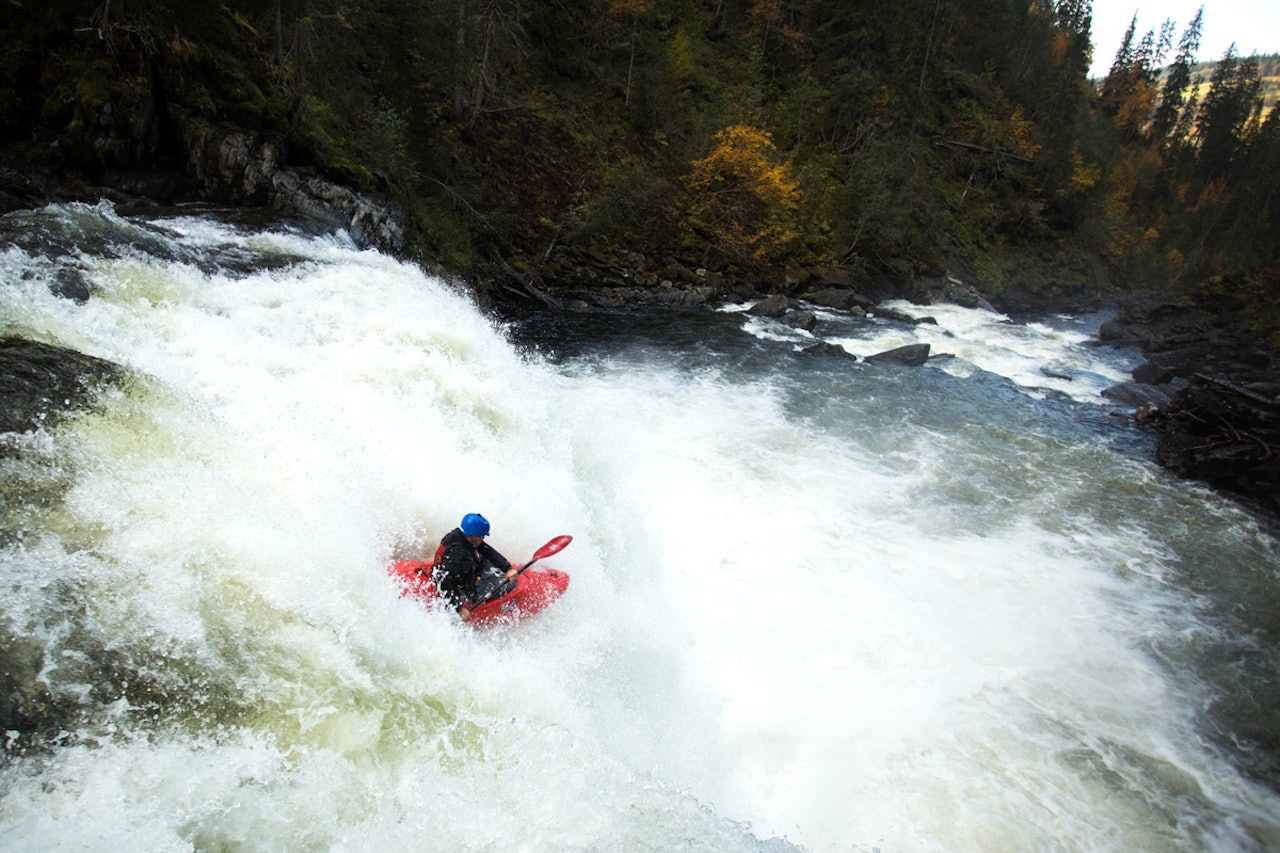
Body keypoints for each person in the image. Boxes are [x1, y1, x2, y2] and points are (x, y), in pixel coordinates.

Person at [432, 513, 518, 621]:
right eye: (483, 535)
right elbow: (444, 582)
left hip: (454, 570)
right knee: (509, 584)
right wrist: (458, 609)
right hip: (456, 583)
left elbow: (487, 551)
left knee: (484, 559)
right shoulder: (459, 556)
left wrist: (507, 568)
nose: (484, 538)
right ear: (473, 536)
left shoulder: (461, 535)